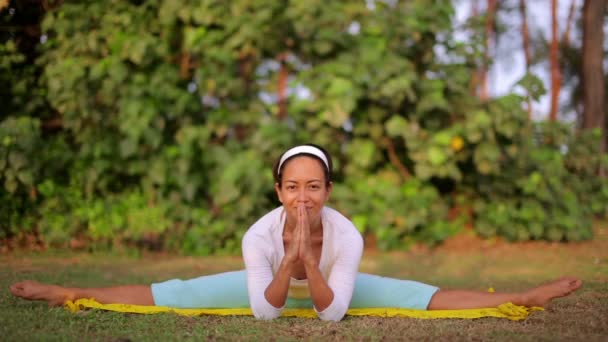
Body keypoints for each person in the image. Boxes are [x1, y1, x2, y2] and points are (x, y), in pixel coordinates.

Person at [10, 144, 582, 321]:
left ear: (327, 191)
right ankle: (67, 293)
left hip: (332, 282)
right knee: (178, 291)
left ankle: (518, 298)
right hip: (270, 279)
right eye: (292, 187)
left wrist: (313, 264)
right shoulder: (259, 235)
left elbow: (331, 315)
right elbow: (267, 313)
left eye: (314, 186)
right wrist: (289, 263)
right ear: (279, 192)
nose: (303, 196)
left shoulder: (347, 235)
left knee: (414, 293)